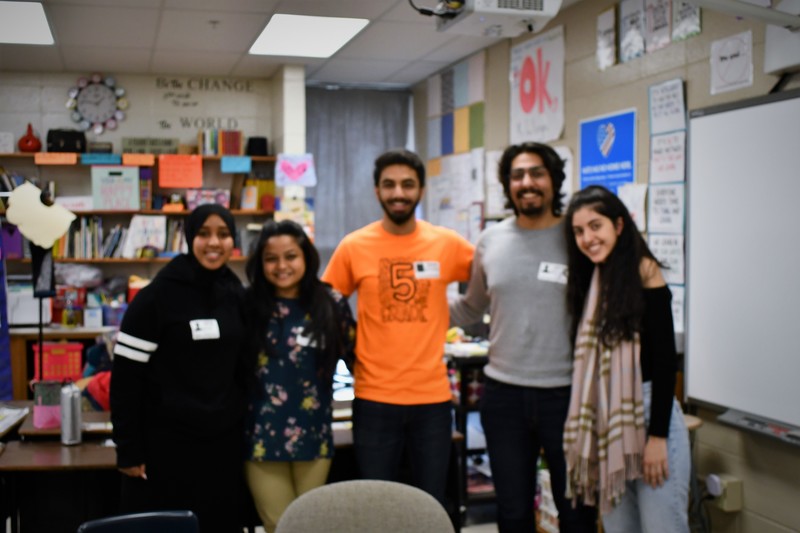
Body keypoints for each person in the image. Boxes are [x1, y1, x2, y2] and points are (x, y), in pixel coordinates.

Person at [449, 142, 596, 532]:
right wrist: (414, 303)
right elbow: (470, 309)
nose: (527, 183)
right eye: (517, 175)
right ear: (507, 185)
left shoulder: (578, 237)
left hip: (567, 394)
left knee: (576, 512)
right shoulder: (490, 241)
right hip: (503, 395)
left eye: (536, 173)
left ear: (554, 180)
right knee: (512, 513)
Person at [322, 148, 474, 506]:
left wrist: (464, 312)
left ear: (421, 189)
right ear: (377, 191)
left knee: (430, 505)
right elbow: (326, 306)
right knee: (377, 505)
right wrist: (347, 354)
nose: (398, 193)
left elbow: (494, 275)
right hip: (374, 399)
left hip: (433, 400)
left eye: (407, 184)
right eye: (389, 185)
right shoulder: (354, 246)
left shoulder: (446, 243)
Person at [110, 204, 249, 533]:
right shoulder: (156, 297)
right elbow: (125, 380)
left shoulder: (236, 293)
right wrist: (128, 450)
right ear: (189, 238)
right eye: (204, 234)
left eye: (223, 234)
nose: (214, 243)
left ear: (233, 242)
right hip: (167, 447)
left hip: (223, 446)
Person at [562, 185, 690, 532]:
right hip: (609, 421)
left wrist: (658, 439)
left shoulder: (644, 271)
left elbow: (665, 364)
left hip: (650, 415)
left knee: (663, 526)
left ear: (619, 226)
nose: (587, 238)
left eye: (596, 226)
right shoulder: (589, 276)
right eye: (578, 231)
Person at [243, 220, 356, 532]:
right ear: (260, 263)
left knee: (311, 525)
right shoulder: (247, 305)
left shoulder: (330, 303)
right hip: (261, 437)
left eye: (290, 256)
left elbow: (356, 356)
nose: (282, 266)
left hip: (314, 435)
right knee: (278, 525)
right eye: (271, 258)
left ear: (306, 257)